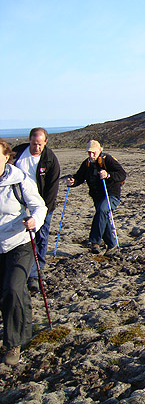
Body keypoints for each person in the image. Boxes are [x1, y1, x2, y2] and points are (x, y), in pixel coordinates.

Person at [0, 138, 47, 366]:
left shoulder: (20, 181)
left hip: (19, 243)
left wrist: (34, 221)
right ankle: (22, 327)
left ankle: (13, 343)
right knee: (8, 292)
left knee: (13, 288)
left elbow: (39, 206)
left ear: (6, 157)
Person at [13, 128, 60, 292]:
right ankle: (22, 270)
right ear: (29, 140)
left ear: (45, 142)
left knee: (40, 237)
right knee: (21, 238)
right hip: (18, 204)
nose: (37, 148)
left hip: (43, 206)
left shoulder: (50, 160)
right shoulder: (17, 154)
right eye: (34, 144)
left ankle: (36, 272)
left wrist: (42, 211)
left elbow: (52, 188)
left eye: (40, 144)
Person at [67, 140, 126, 255]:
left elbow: (122, 174)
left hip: (111, 194)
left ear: (99, 150)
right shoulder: (87, 163)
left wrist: (108, 175)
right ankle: (111, 245)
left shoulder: (107, 159)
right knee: (103, 217)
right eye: (89, 152)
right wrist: (73, 182)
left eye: (93, 152)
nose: (91, 155)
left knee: (102, 211)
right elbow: (80, 176)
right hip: (97, 196)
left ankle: (95, 242)